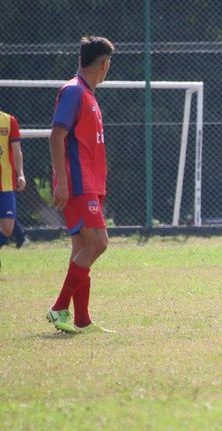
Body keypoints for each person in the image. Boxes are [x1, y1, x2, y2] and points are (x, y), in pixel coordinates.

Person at [46, 35, 115, 334]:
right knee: (98, 243)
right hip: (78, 185)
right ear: (104, 64)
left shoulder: (88, 95)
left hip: (90, 185)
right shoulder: (73, 92)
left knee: (82, 247)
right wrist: (61, 181)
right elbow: (56, 136)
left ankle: (82, 320)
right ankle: (60, 307)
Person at [0, 109, 27, 271]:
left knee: (8, 228)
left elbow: (17, 151)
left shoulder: (9, 121)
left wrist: (21, 174)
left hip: (6, 183)